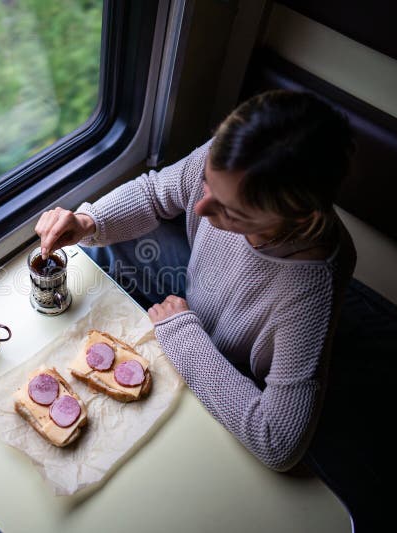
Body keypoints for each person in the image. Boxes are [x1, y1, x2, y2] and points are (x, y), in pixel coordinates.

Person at [34, 90, 356, 471]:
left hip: (230, 357)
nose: (200, 208)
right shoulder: (229, 157)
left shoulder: (309, 292)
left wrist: (183, 336)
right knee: (93, 245)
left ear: (298, 220)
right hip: (195, 289)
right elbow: (155, 194)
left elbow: (278, 441)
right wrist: (89, 222)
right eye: (206, 182)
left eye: (231, 213)